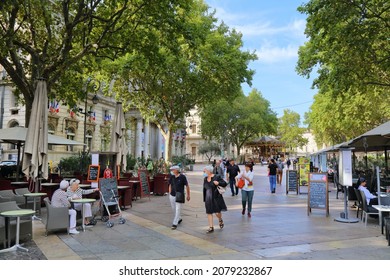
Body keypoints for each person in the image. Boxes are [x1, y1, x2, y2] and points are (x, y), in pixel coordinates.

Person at [203, 165, 227, 233]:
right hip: (208, 198)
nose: (204, 172)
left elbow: (224, 183)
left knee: (217, 212)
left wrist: (218, 183)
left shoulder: (217, 177)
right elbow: (204, 189)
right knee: (209, 212)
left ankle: (220, 219)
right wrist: (204, 199)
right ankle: (211, 227)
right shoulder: (205, 178)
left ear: (208, 171)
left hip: (216, 197)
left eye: (204, 171)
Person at [168, 165, 190, 230]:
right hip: (172, 195)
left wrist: (188, 195)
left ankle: (175, 223)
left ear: (176, 170)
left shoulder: (182, 177)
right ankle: (179, 218)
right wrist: (169, 193)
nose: (172, 171)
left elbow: (187, 186)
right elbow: (169, 184)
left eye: (173, 170)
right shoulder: (172, 177)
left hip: (179, 195)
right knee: (173, 208)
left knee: (177, 209)